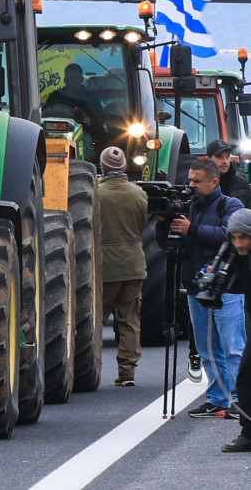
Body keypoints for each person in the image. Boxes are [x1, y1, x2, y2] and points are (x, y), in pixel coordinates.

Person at [155, 158, 245, 418]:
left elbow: (230, 236)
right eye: (190, 180)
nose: (191, 185)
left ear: (214, 182)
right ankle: (218, 399)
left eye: (197, 181)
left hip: (226, 287)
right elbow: (165, 243)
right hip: (196, 286)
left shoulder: (230, 205)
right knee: (208, 350)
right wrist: (164, 221)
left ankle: (241, 400)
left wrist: (192, 229)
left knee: (233, 348)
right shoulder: (187, 206)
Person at [97, 146, 149, 386]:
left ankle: (88, 368)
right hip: (133, 264)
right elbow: (142, 224)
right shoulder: (139, 193)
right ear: (124, 166)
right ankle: (127, 372)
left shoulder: (96, 193)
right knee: (129, 321)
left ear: (102, 166)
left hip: (105, 266)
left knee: (95, 322)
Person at [219, 209, 251, 452]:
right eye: (234, 238)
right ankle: (248, 433)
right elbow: (240, 286)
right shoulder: (239, 255)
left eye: (243, 237)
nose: (238, 243)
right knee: (245, 376)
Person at [206, 139, 251, 206]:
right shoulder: (199, 184)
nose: (225, 161)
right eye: (219, 157)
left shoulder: (242, 184)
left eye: (227, 157)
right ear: (208, 160)